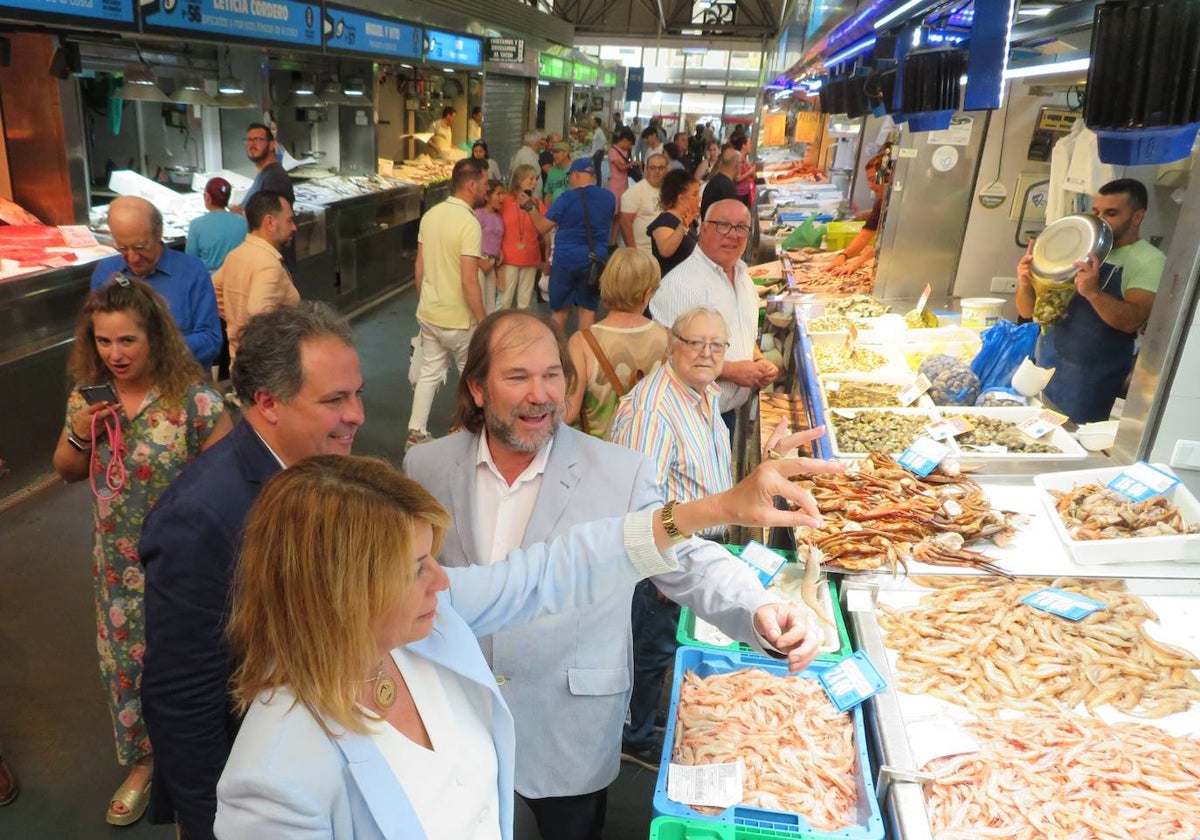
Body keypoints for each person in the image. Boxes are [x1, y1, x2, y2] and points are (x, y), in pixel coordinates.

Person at [216, 445, 830, 839]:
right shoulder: (274, 778)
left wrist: (716, 506)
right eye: (416, 569)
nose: (441, 580)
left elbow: (559, 567)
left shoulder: (423, 628)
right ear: (338, 591)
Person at [404, 309, 836, 840]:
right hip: (456, 720)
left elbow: (683, 559)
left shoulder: (618, 471)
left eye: (553, 375)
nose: (540, 395)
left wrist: (758, 606)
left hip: (567, 729)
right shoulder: (426, 469)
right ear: (476, 388)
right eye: (517, 377)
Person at [139, 302, 363, 840]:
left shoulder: (322, 469)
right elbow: (183, 696)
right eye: (335, 400)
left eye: (357, 394)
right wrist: (212, 825)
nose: (356, 414)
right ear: (268, 403)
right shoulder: (200, 517)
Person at [51, 277, 231, 826]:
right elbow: (65, 470)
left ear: (155, 337)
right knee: (126, 668)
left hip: (185, 565)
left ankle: (207, 762)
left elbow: (227, 482)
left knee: (192, 665)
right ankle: (143, 764)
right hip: (116, 566)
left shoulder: (195, 400)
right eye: (103, 342)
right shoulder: (89, 397)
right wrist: (82, 434)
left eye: (127, 341)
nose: (114, 354)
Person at [1016, 178, 1164, 423]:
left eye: (1112, 213)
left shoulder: (1149, 260)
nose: (1100, 219)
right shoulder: (1077, 249)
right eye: (1096, 211)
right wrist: (1024, 281)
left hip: (1092, 380)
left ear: (1137, 217)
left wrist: (1093, 292)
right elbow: (1029, 311)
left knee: (1075, 448)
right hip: (1047, 365)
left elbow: (1132, 320)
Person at [652, 199, 777, 432]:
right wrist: (732, 371)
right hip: (689, 420)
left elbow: (742, 332)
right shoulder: (680, 284)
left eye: (741, 227)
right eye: (723, 225)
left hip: (725, 414)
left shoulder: (743, 277)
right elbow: (670, 356)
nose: (733, 235)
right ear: (703, 228)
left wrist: (758, 361)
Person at [406, 158, 490, 449]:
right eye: (485, 183)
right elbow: (470, 280)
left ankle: (416, 432)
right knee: (472, 376)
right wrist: (484, 321)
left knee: (430, 372)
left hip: (430, 315)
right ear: (472, 184)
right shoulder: (469, 223)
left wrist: (428, 300)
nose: (487, 189)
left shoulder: (431, 215)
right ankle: (467, 434)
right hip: (460, 320)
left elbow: (419, 267)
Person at [91, 196, 222, 372]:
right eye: (122, 248)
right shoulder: (105, 272)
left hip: (182, 384)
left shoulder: (192, 272)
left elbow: (211, 341)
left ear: (158, 232)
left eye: (140, 247)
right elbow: (95, 336)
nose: (133, 258)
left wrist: (156, 348)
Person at [565, 248, 670, 438]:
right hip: (649, 456)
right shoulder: (667, 338)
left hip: (596, 459)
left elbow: (569, 412)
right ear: (647, 293)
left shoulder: (582, 343)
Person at [523, 157, 615, 333]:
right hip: (595, 262)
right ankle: (583, 355)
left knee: (559, 311)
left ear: (576, 175)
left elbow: (542, 226)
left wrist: (529, 207)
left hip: (566, 261)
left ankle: (560, 354)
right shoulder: (609, 198)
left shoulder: (567, 198)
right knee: (587, 310)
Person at [212, 190, 299, 366]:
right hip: (269, 371)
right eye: (289, 220)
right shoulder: (269, 265)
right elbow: (258, 313)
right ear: (270, 223)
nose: (294, 227)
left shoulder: (235, 255)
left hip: (239, 363)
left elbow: (213, 289)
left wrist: (235, 320)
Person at [234, 123, 296, 271]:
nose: (252, 144)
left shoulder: (275, 177)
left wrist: (240, 214)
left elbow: (272, 221)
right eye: (248, 140)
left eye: (258, 139)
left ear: (271, 145)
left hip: (273, 261)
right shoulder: (264, 173)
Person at [828, 144, 892, 276]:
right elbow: (865, 234)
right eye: (868, 181)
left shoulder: (901, 205)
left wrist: (856, 263)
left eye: (874, 180)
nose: (871, 186)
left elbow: (887, 244)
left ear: (888, 178)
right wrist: (843, 257)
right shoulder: (882, 201)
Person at [498, 164, 546, 311]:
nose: (535, 182)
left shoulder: (537, 203)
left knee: (525, 304)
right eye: (531, 179)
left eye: (536, 179)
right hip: (508, 258)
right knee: (503, 301)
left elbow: (546, 228)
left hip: (530, 257)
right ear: (519, 180)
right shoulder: (504, 200)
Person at [185, 177, 247, 273]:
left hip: (209, 283)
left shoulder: (196, 225)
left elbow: (190, 262)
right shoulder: (243, 222)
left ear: (207, 197)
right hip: (238, 280)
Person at [649, 169, 701, 276]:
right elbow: (665, 250)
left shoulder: (688, 220)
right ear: (681, 198)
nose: (699, 198)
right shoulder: (666, 221)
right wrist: (682, 227)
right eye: (695, 194)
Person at [619, 152, 667, 253]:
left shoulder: (670, 191)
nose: (657, 171)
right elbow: (625, 223)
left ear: (666, 170)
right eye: (652, 168)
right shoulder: (635, 191)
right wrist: (633, 252)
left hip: (664, 252)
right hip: (641, 252)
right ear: (646, 170)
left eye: (661, 168)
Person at [476, 179, 506, 315]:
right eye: (498, 194)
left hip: (491, 263)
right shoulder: (478, 214)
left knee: (490, 303)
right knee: (479, 300)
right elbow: (471, 240)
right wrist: (479, 260)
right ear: (487, 196)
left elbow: (495, 239)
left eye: (503, 194)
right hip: (480, 261)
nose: (502, 198)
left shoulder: (498, 217)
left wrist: (499, 252)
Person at [699, 147, 741, 221]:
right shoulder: (727, 187)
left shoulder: (714, 181)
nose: (742, 165)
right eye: (741, 162)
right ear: (737, 164)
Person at [510, 130, 544, 200]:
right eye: (540, 142)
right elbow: (526, 178)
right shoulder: (527, 156)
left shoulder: (522, 153)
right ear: (537, 143)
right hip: (526, 199)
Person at [544, 141, 573, 206]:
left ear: (566, 153)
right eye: (553, 153)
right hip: (556, 212)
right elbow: (548, 195)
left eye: (557, 152)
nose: (554, 156)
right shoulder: (552, 171)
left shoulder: (575, 168)